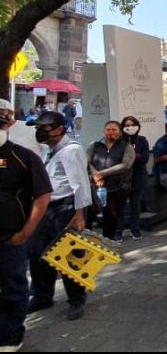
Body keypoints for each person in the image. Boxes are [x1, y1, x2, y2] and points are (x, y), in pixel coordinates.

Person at [26, 110, 91, 322]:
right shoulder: (47, 150)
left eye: (44, 129)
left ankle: (76, 299)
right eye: (38, 129)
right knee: (37, 254)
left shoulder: (71, 150)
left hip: (66, 209)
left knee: (68, 256)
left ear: (60, 129)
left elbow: (80, 183)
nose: (40, 132)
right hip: (45, 208)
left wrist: (80, 214)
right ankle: (42, 295)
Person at [0, 100, 52, 351]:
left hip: (10, 237)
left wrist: (25, 232)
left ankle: (11, 335)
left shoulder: (23, 157)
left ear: (10, 122)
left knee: (12, 285)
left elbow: (42, 195)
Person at [86, 121, 135, 241]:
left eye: (114, 130)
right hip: (95, 186)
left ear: (119, 132)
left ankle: (108, 244)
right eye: (108, 130)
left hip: (117, 187)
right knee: (88, 215)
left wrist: (102, 173)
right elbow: (86, 161)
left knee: (111, 218)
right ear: (104, 131)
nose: (111, 132)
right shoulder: (95, 145)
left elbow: (125, 165)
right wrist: (95, 175)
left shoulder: (126, 147)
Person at [118, 116, 150, 242]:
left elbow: (145, 158)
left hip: (138, 176)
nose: (129, 127)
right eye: (127, 125)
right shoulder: (120, 141)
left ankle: (135, 229)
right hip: (121, 178)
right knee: (120, 206)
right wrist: (133, 156)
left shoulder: (142, 141)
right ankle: (118, 231)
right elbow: (118, 157)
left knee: (135, 205)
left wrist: (132, 157)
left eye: (132, 125)